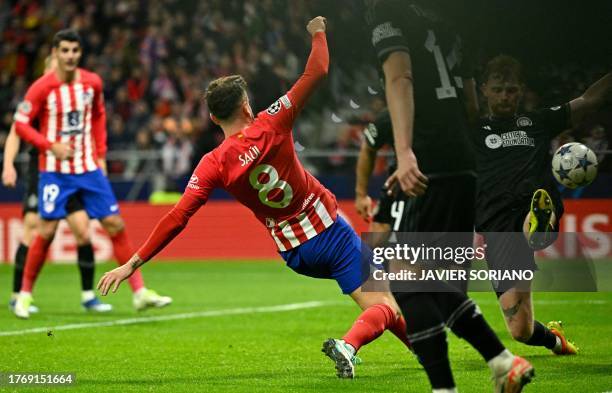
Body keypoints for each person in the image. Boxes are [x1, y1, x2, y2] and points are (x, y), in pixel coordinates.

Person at [97, 16, 413, 380]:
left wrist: (131, 265)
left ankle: (419, 350)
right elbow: (319, 68)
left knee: (379, 301)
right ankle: (349, 345)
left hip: (294, 252)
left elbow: (177, 217)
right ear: (246, 105)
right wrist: (318, 32)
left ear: (214, 117)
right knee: (385, 302)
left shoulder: (212, 164)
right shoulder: (271, 122)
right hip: (327, 231)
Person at [367, 1, 533, 391]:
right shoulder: (446, 22)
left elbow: (400, 78)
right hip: (462, 163)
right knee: (435, 285)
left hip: (430, 163)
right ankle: (499, 363)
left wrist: (405, 152)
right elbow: (472, 105)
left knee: (405, 281)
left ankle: (465, 378)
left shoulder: (383, 12)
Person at [12, 29, 172, 319]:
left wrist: (101, 153)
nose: (70, 56)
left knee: (114, 223)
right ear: (55, 53)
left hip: (88, 169)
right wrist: (50, 146)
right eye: (65, 51)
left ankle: (139, 292)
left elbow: (99, 116)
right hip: (55, 172)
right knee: (46, 231)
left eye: (75, 50)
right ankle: (24, 296)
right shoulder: (41, 88)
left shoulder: (92, 83)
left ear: (80, 53)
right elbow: (21, 124)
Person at [474, 55, 611, 355]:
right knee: (520, 330)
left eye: (511, 89)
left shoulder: (537, 122)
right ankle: (555, 339)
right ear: (484, 89)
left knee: (533, 216)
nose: (504, 95)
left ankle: (539, 221)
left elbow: (589, 100)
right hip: (497, 231)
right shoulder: (473, 131)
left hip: (532, 206)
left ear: (521, 90)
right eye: (498, 89)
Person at [3, 55, 111, 314]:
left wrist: (97, 158)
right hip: (42, 172)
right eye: (54, 65)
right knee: (33, 228)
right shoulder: (39, 95)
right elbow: (15, 133)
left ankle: (88, 297)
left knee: (83, 231)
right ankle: (19, 294)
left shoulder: (74, 97)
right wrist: (8, 166)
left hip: (72, 173)